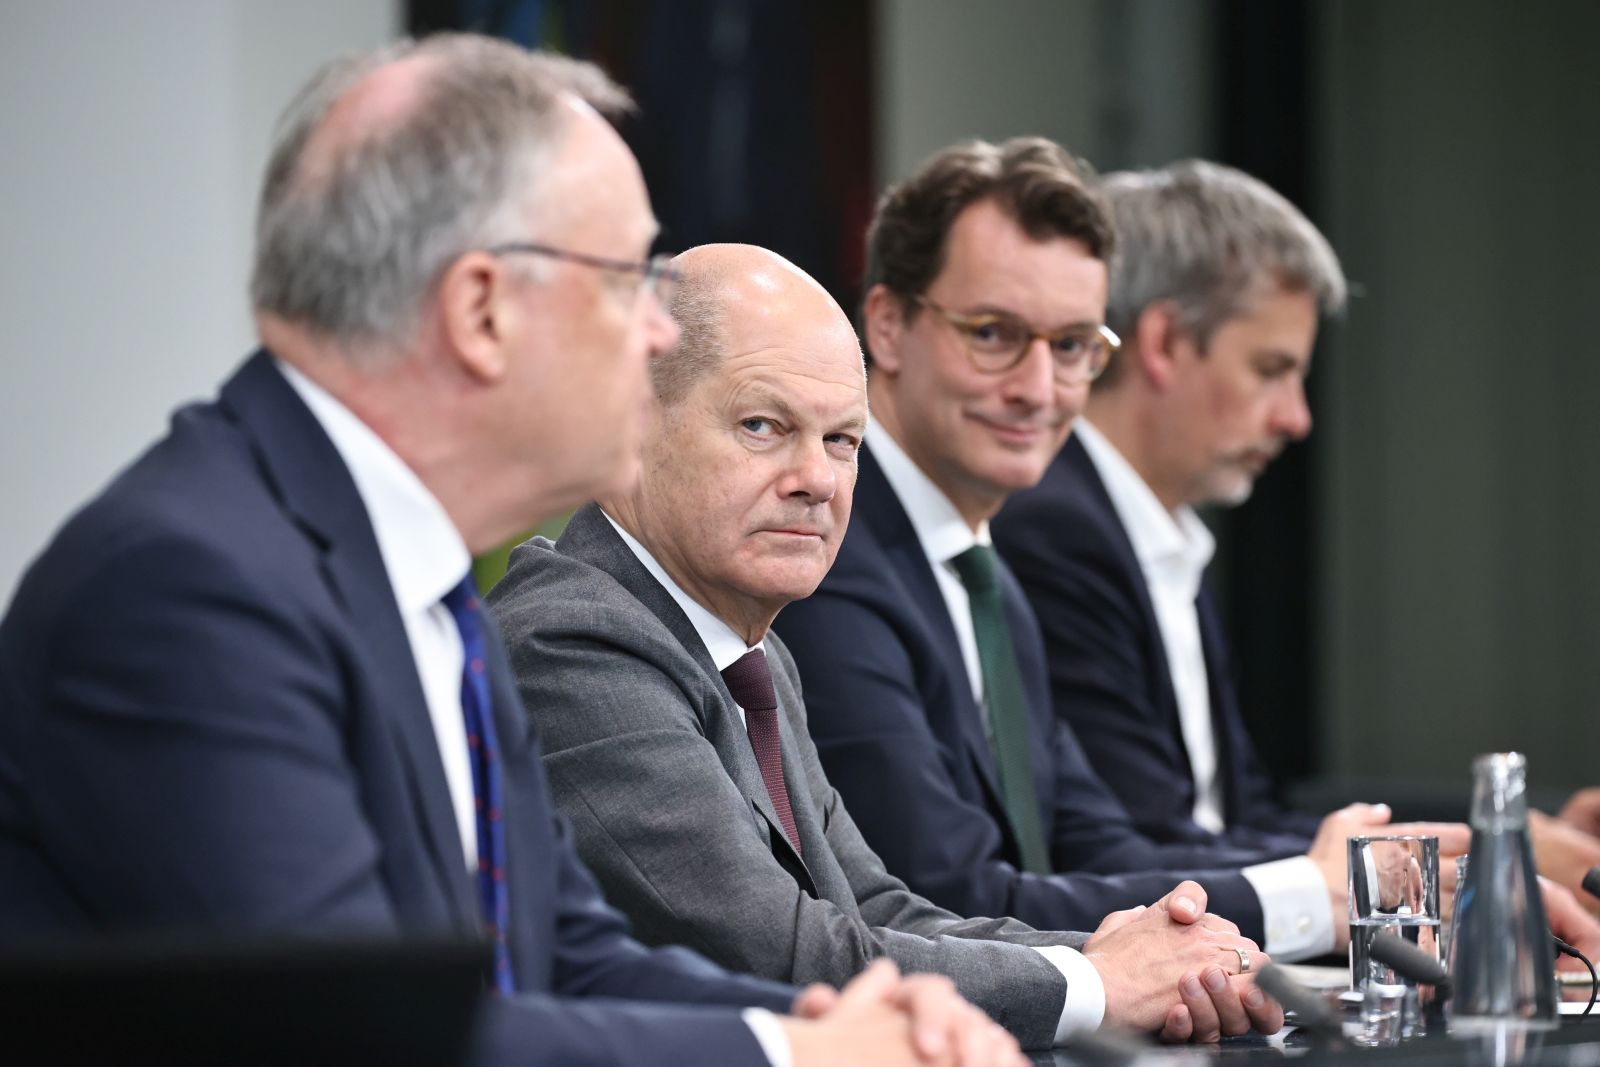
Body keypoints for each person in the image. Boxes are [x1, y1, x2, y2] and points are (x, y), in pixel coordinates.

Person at [0, 35, 1020, 1067]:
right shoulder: (189, 589)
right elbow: (354, 1040)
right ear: (481, 310)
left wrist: (842, 1030)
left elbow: (566, 952)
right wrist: (800, 1056)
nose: (662, 337)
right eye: (629, 282)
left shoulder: (425, 584)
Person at [488, 242, 1285, 1046]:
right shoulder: (574, 639)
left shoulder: (745, 648)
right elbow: (785, 952)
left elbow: (873, 907)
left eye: (842, 440)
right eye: (764, 426)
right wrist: (1098, 982)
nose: (819, 480)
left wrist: (1148, 962)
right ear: (632, 422)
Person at [770, 138, 1466, 967]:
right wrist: (1314, 895)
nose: (1039, 387)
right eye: (994, 334)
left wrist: (1342, 879)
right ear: (886, 325)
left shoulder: (983, 572)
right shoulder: (824, 550)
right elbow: (947, 895)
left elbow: (1095, 842)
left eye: (1072, 346)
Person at [987, 159, 1600, 918]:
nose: (1296, 418)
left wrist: (1502, 832)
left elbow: (1239, 819)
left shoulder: (1155, 531)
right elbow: (1136, 842)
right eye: (1271, 370)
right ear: (1165, 343)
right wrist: (1470, 855)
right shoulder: (1054, 529)